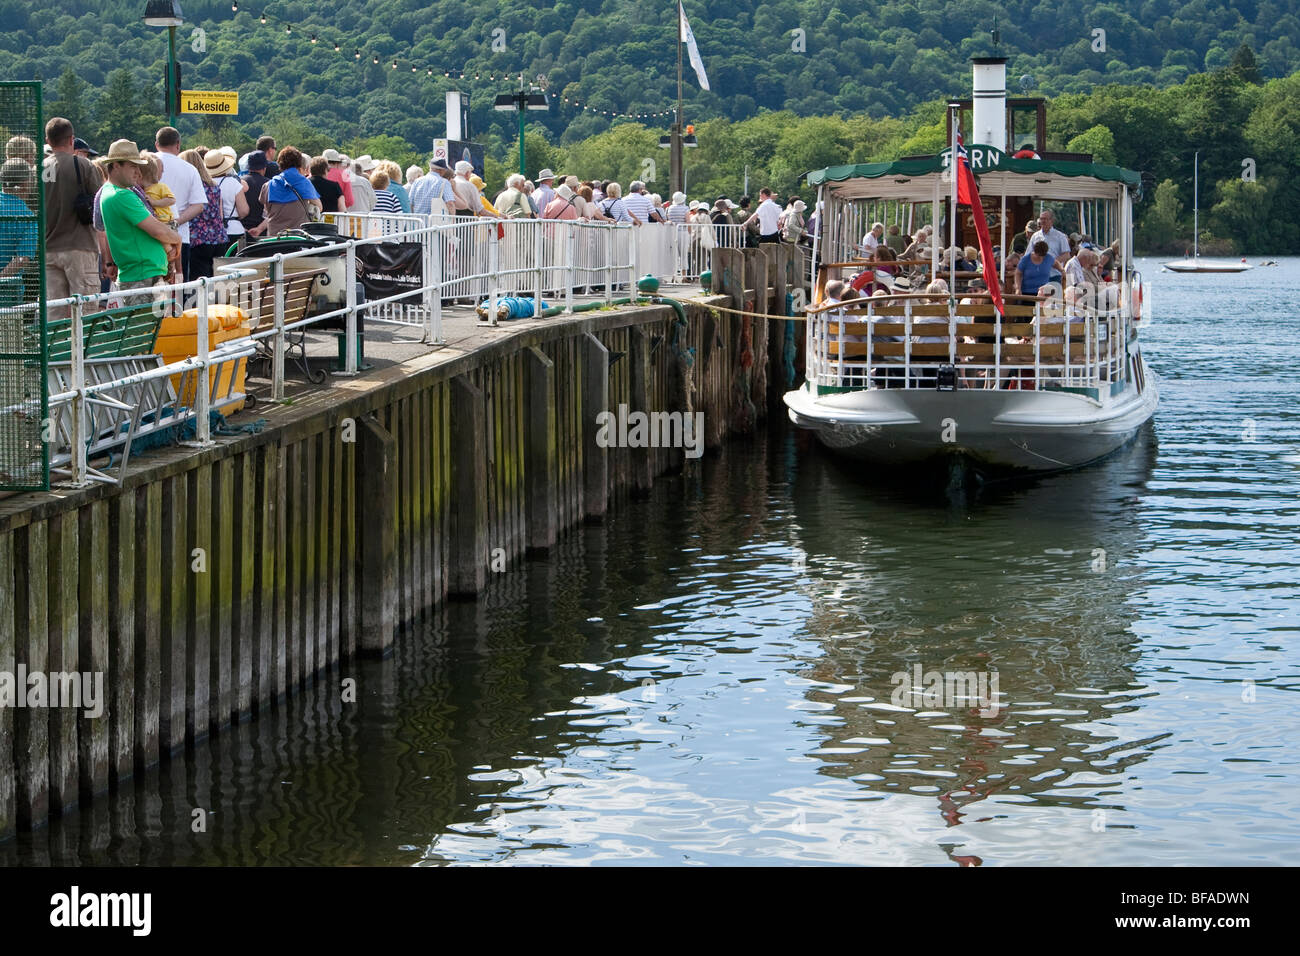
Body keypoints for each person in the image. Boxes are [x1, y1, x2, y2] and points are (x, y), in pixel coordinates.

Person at [98, 140, 180, 292]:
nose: (138, 172)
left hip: (142, 275)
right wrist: (177, 239)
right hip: (142, 277)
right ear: (116, 165)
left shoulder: (114, 191)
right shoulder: (121, 195)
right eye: (133, 166)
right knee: (148, 317)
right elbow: (158, 230)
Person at [42, 117, 103, 314]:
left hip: (49, 248)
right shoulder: (84, 165)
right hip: (80, 246)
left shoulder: (41, 168)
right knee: (85, 311)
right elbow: (97, 203)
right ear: (71, 139)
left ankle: (57, 346)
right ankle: (82, 346)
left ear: (48, 140)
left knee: (55, 314)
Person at [153, 126, 207, 280]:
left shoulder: (146, 164)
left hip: (149, 233)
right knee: (178, 285)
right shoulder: (190, 169)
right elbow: (198, 205)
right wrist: (175, 222)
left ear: (156, 144)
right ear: (178, 144)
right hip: (180, 236)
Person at [182, 148, 227, 279]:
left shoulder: (191, 186)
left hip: (198, 238)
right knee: (217, 280)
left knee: (199, 282)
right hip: (218, 237)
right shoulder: (214, 185)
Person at [257, 146, 321, 237]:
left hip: (275, 239)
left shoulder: (268, 185)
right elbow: (319, 207)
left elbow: (266, 210)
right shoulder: (304, 183)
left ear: (280, 164)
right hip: (298, 239)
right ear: (299, 164)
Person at [205, 147, 248, 254]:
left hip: (211, 231)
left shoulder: (204, 184)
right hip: (235, 229)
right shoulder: (234, 183)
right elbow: (244, 210)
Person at [1029, 208, 1071, 278]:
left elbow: (1066, 255)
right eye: (1041, 219)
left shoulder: (1060, 236)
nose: (1042, 221)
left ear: (1052, 220)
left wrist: (1052, 262)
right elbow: (1029, 253)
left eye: (1045, 219)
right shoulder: (1035, 236)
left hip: (1054, 275)